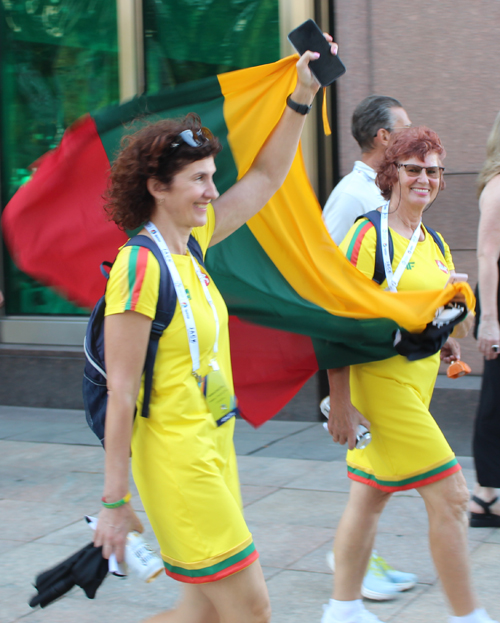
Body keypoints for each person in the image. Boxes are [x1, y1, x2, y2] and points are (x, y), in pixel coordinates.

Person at [92, 39, 338, 623]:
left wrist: (302, 97)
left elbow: (266, 178)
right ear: (158, 187)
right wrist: (114, 500)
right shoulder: (139, 266)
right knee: (251, 608)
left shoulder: (191, 248)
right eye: (199, 179)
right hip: (177, 460)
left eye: (211, 177)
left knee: (200, 613)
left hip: (214, 446)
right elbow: (121, 392)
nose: (211, 191)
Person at [322, 127, 496, 623]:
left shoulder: (433, 241)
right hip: (378, 387)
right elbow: (338, 316)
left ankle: (343, 609)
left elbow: (421, 312)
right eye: (414, 168)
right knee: (453, 494)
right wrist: (340, 400)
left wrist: (446, 340)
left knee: (370, 496)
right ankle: (468, 616)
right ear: (391, 173)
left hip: (415, 384)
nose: (425, 178)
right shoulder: (367, 233)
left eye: (433, 170)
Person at [323, 95, 416, 602]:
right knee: (372, 473)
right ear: (382, 138)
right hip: (361, 363)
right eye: (403, 128)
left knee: (375, 475)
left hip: (387, 357)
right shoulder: (351, 197)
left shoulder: (379, 191)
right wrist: (338, 393)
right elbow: (329, 292)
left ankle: (358, 560)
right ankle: (347, 564)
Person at [322, 95, 412, 245]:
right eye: (407, 129)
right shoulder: (351, 195)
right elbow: (326, 257)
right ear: (384, 136)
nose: (412, 138)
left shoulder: (393, 186)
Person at [470, 111, 500, 528]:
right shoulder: (497, 186)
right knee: (496, 396)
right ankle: (486, 495)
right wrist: (490, 320)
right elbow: (486, 255)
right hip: (499, 301)